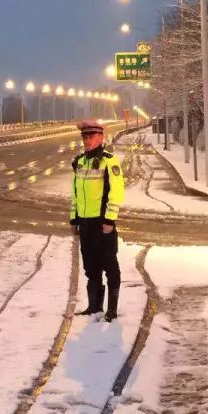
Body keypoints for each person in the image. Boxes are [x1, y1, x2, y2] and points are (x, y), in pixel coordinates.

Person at [70, 120, 125, 321]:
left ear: (101, 137)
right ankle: (94, 307)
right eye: (84, 137)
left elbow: (116, 193)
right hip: (85, 224)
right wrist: (74, 219)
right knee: (90, 266)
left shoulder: (109, 162)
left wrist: (109, 220)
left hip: (102, 224)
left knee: (110, 265)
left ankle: (112, 309)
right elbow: (75, 193)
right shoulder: (80, 162)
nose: (87, 140)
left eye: (91, 136)